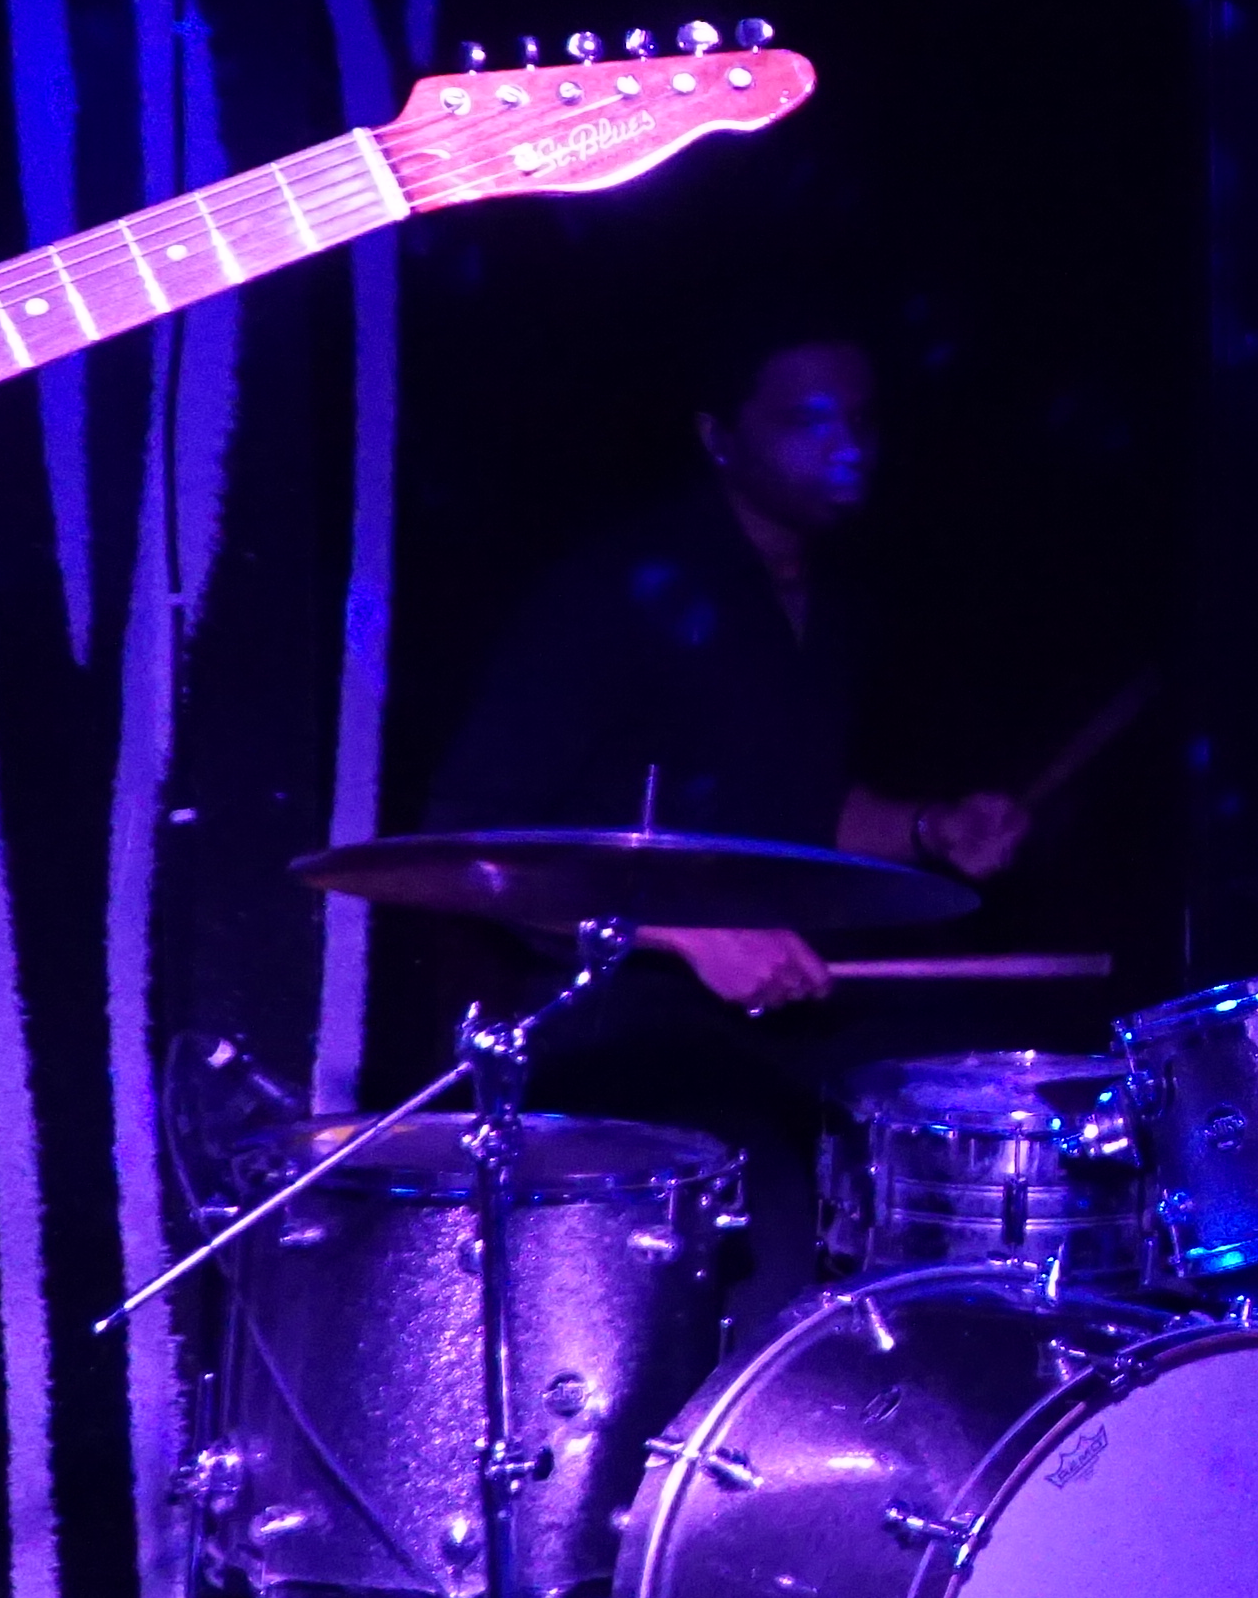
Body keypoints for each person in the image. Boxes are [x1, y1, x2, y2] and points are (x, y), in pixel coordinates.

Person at [423, 312, 1032, 1087]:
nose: (848, 446)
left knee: (978, 1079)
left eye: (862, 420)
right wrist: (694, 935)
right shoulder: (612, 592)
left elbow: (790, 811)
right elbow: (475, 843)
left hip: (771, 1029)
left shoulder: (838, 603)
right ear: (719, 437)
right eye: (807, 422)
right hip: (613, 1027)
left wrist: (929, 829)